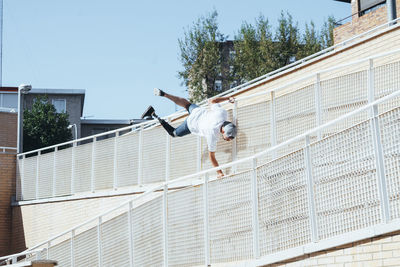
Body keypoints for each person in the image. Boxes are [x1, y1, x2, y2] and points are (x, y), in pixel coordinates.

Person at [142, 88, 237, 178]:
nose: (228, 140)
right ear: (223, 130)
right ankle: (154, 115)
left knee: (186, 104)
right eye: (228, 138)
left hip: (198, 111)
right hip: (191, 124)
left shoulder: (223, 113)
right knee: (173, 133)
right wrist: (220, 172)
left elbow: (212, 101)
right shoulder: (213, 134)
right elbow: (211, 156)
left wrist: (228, 98)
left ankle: (164, 94)